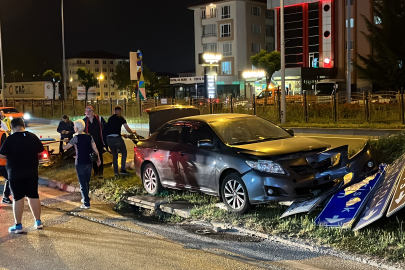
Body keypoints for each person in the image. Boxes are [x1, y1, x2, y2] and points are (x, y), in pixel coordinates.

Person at [0, 118, 45, 234]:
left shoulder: (10, 139)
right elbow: (41, 153)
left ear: (12, 127)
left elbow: (3, 156)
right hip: (31, 172)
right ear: (23, 125)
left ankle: (18, 225)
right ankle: (38, 222)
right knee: (33, 195)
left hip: (15, 173)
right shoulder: (32, 137)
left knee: (18, 198)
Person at [63, 119, 101, 209]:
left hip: (80, 162)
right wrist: (98, 159)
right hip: (89, 162)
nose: (73, 127)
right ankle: (85, 198)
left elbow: (65, 147)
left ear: (77, 127)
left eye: (74, 126)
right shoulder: (89, 137)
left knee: (82, 183)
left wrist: (64, 141)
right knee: (87, 182)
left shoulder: (76, 138)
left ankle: (86, 203)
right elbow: (95, 148)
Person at [106, 106, 137, 176]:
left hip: (109, 139)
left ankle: (116, 173)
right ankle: (123, 169)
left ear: (114, 110)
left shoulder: (110, 119)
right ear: (120, 111)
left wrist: (122, 135)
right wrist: (133, 132)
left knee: (114, 155)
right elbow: (128, 129)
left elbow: (112, 131)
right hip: (117, 139)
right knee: (124, 152)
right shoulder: (121, 118)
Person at [83, 106, 106, 179]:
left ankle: (100, 171)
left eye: (90, 111)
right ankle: (95, 171)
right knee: (92, 156)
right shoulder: (84, 121)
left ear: (93, 111)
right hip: (89, 142)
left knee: (100, 155)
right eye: (87, 111)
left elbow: (105, 128)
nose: (88, 112)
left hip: (99, 141)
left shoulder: (99, 119)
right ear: (85, 112)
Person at [0, 130, 11, 204]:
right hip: (2, 162)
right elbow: (6, 148)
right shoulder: (2, 134)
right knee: (10, 178)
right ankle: (5, 197)